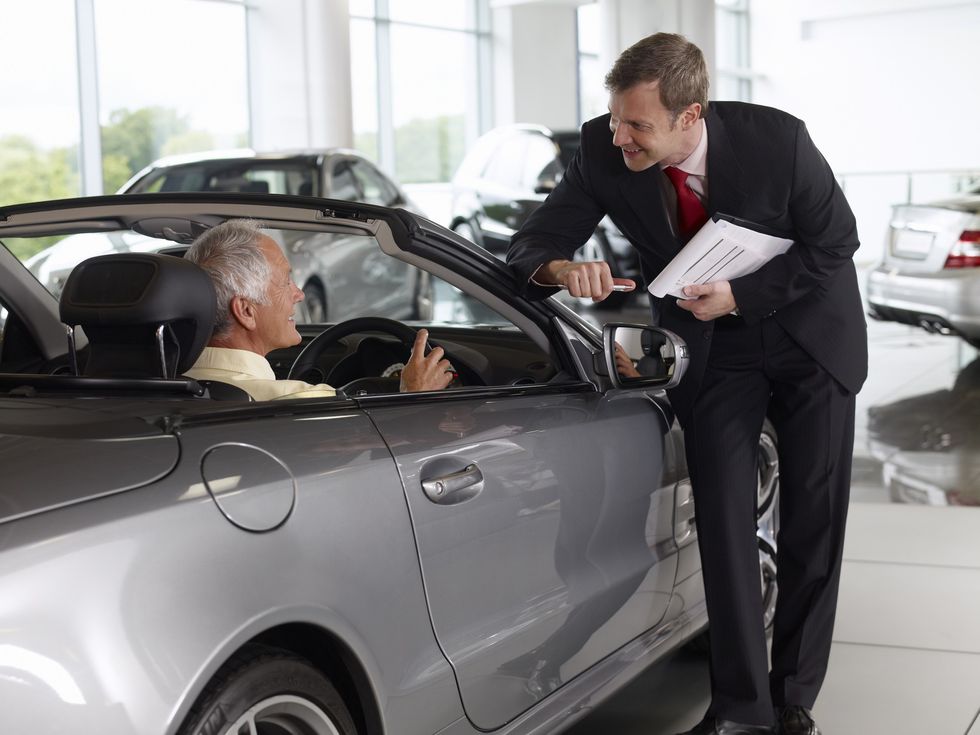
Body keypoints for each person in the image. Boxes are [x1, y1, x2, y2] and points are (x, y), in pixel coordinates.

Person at [507, 32, 867, 735]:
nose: (621, 138)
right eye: (615, 119)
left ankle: (792, 697)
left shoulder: (779, 142)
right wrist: (560, 270)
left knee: (812, 525)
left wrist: (744, 293)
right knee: (724, 526)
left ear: (691, 116)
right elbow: (529, 245)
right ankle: (741, 709)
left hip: (807, 336)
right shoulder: (605, 152)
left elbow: (836, 244)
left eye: (637, 125)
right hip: (711, 349)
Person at [184, 219, 453, 399]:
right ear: (245, 311)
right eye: (285, 281)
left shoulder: (165, 385)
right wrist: (414, 393)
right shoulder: (300, 403)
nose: (299, 294)